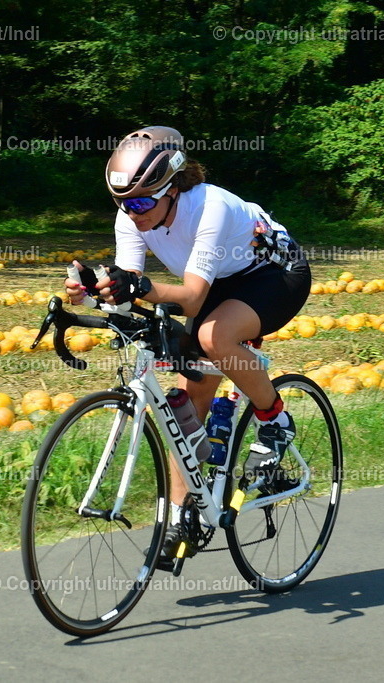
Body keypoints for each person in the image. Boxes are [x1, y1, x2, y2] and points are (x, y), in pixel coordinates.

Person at [63, 125, 311, 570]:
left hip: (274, 274)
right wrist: (95, 292)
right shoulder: (132, 216)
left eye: (140, 202)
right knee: (184, 401)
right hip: (218, 282)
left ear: (172, 188)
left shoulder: (209, 207)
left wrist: (137, 285)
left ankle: (276, 420)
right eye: (122, 202)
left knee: (214, 337)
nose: (131, 212)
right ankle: (184, 518)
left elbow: (193, 297)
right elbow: (128, 290)